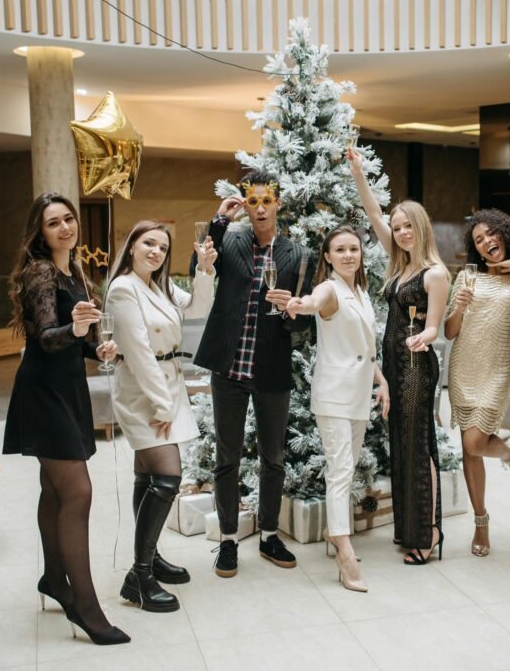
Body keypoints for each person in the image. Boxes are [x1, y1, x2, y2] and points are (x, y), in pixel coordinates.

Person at [3, 192, 129, 645]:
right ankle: (86, 608)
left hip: (67, 388)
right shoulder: (40, 271)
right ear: (40, 232)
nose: (64, 227)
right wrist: (75, 330)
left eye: (69, 219)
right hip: (44, 392)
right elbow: (45, 338)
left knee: (55, 490)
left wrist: (97, 348)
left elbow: (73, 341)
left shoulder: (73, 270)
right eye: (53, 222)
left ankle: (54, 579)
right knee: (78, 491)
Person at [191, 169, 314, 578]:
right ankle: (228, 540)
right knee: (226, 458)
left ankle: (269, 535)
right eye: (253, 201)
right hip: (228, 367)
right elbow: (198, 264)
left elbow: (305, 323)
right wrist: (219, 219)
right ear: (245, 204)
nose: (260, 208)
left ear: (278, 203)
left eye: (267, 201)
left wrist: (290, 309)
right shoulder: (229, 240)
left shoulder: (298, 255)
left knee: (273, 458)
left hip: (271, 368)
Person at [105, 220, 217, 612]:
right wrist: (161, 405)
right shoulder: (123, 289)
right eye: (148, 243)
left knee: (148, 476)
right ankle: (138, 576)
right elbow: (137, 352)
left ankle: (149, 558)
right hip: (143, 392)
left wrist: (204, 269)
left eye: (163, 247)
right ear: (132, 246)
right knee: (168, 478)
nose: (156, 252)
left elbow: (198, 308)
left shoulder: (160, 285)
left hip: (168, 381)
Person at [348, 147, 450, 565]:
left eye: (408, 226)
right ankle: (410, 528)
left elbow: (435, 327)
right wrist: (358, 172)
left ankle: (429, 533)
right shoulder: (400, 262)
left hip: (416, 367)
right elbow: (373, 213)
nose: (402, 232)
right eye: (397, 227)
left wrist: (423, 336)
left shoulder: (435, 273)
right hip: (393, 366)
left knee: (418, 445)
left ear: (421, 227)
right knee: (401, 446)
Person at [286, 225, 390, 592]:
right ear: (327, 257)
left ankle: (336, 532)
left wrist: (381, 380)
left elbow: (365, 346)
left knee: (348, 466)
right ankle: (345, 552)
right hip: (333, 394)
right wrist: (301, 305)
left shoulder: (359, 290)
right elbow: (314, 301)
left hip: (359, 392)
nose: (348, 255)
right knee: (340, 469)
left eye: (353, 249)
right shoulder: (329, 288)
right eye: (340, 250)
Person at [444, 209, 510, 557]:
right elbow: (450, 332)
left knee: (477, 441)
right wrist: (459, 307)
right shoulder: (467, 278)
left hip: (496, 370)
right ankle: (480, 522)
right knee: (469, 449)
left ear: (505, 234)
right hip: (463, 368)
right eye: (478, 240)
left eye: (490, 235)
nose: (486, 243)